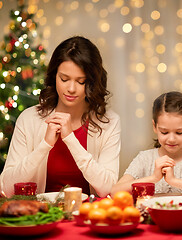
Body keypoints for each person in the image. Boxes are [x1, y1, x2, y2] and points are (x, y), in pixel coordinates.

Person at [0, 36, 121, 197]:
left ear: (92, 82)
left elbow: (107, 188)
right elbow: (6, 189)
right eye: (64, 79)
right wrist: (45, 145)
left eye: (81, 81)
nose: (71, 88)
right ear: (54, 76)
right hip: (40, 217)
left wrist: (71, 139)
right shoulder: (29, 119)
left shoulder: (109, 122)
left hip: (87, 216)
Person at [111, 91, 182, 196]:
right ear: (155, 126)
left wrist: (173, 181)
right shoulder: (145, 158)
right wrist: (154, 178)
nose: (171, 139)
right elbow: (115, 191)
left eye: (179, 132)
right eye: (164, 132)